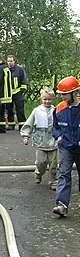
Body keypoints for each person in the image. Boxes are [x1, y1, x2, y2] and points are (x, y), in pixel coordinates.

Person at [52, 76, 80, 217]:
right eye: (61, 94)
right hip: (65, 147)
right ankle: (61, 205)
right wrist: (58, 136)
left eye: (65, 94)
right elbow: (55, 127)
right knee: (63, 174)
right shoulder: (59, 109)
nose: (62, 96)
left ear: (74, 93)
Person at [21, 88, 57, 190]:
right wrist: (25, 136)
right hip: (40, 142)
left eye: (49, 99)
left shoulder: (55, 111)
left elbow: (60, 125)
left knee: (53, 164)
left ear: (53, 99)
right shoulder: (36, 111)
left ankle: (53, 181)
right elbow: (29, 123)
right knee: (41, 162)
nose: (47, 101)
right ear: (41, 99)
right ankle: (38, 172)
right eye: (45, 99)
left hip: (53, 142)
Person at [6, 55, 28, 131]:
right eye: (8, 61)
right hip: (8, 93)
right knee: (9, 109)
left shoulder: (20, 69)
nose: (9, 63)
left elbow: (24, 80)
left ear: (14, 61)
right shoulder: (5, 70)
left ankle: (22, 125)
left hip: (18, 92)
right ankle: (11, 124)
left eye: (11, 61)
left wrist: (22, 90)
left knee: (20, 109)